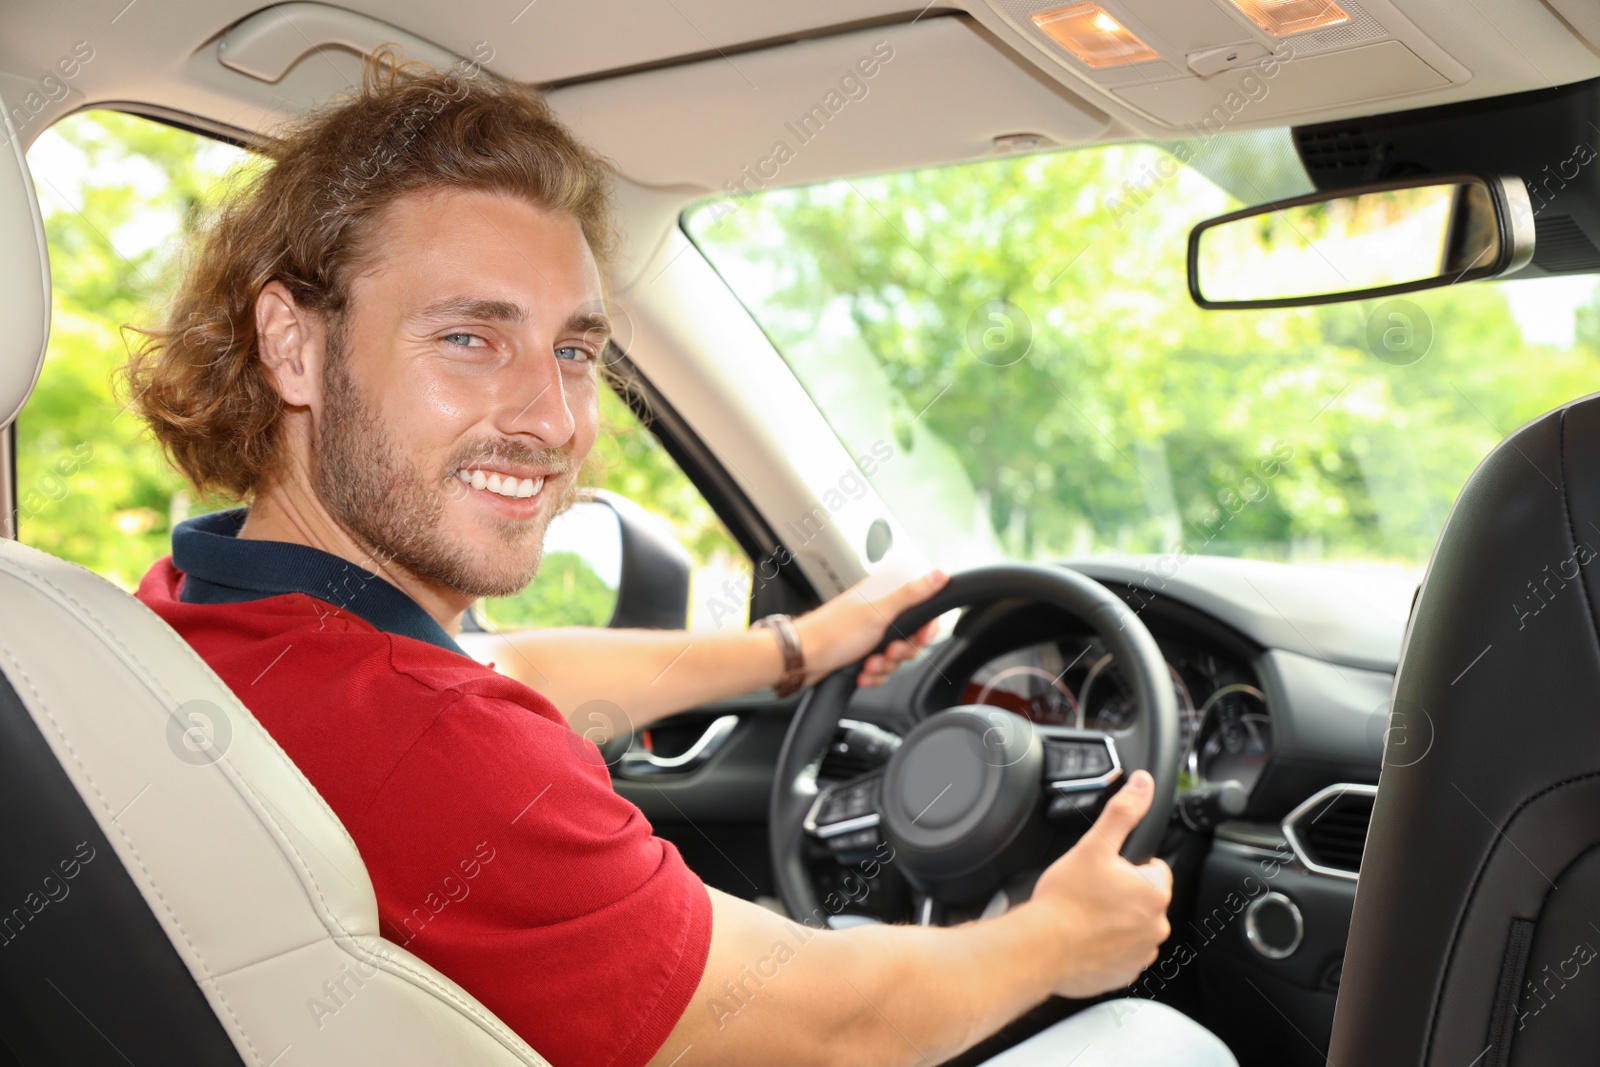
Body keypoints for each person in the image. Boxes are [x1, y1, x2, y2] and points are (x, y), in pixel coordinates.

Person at [125, 51, 1236, 1067]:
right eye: (471, 338)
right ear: (294, 346)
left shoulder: (190, 610)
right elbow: (836, 1025)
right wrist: (1057, 938)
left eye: (573, 350)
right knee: (1152, 1037)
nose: (555, 419)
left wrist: (796, 648)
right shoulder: (444, 749)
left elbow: (508, 670)